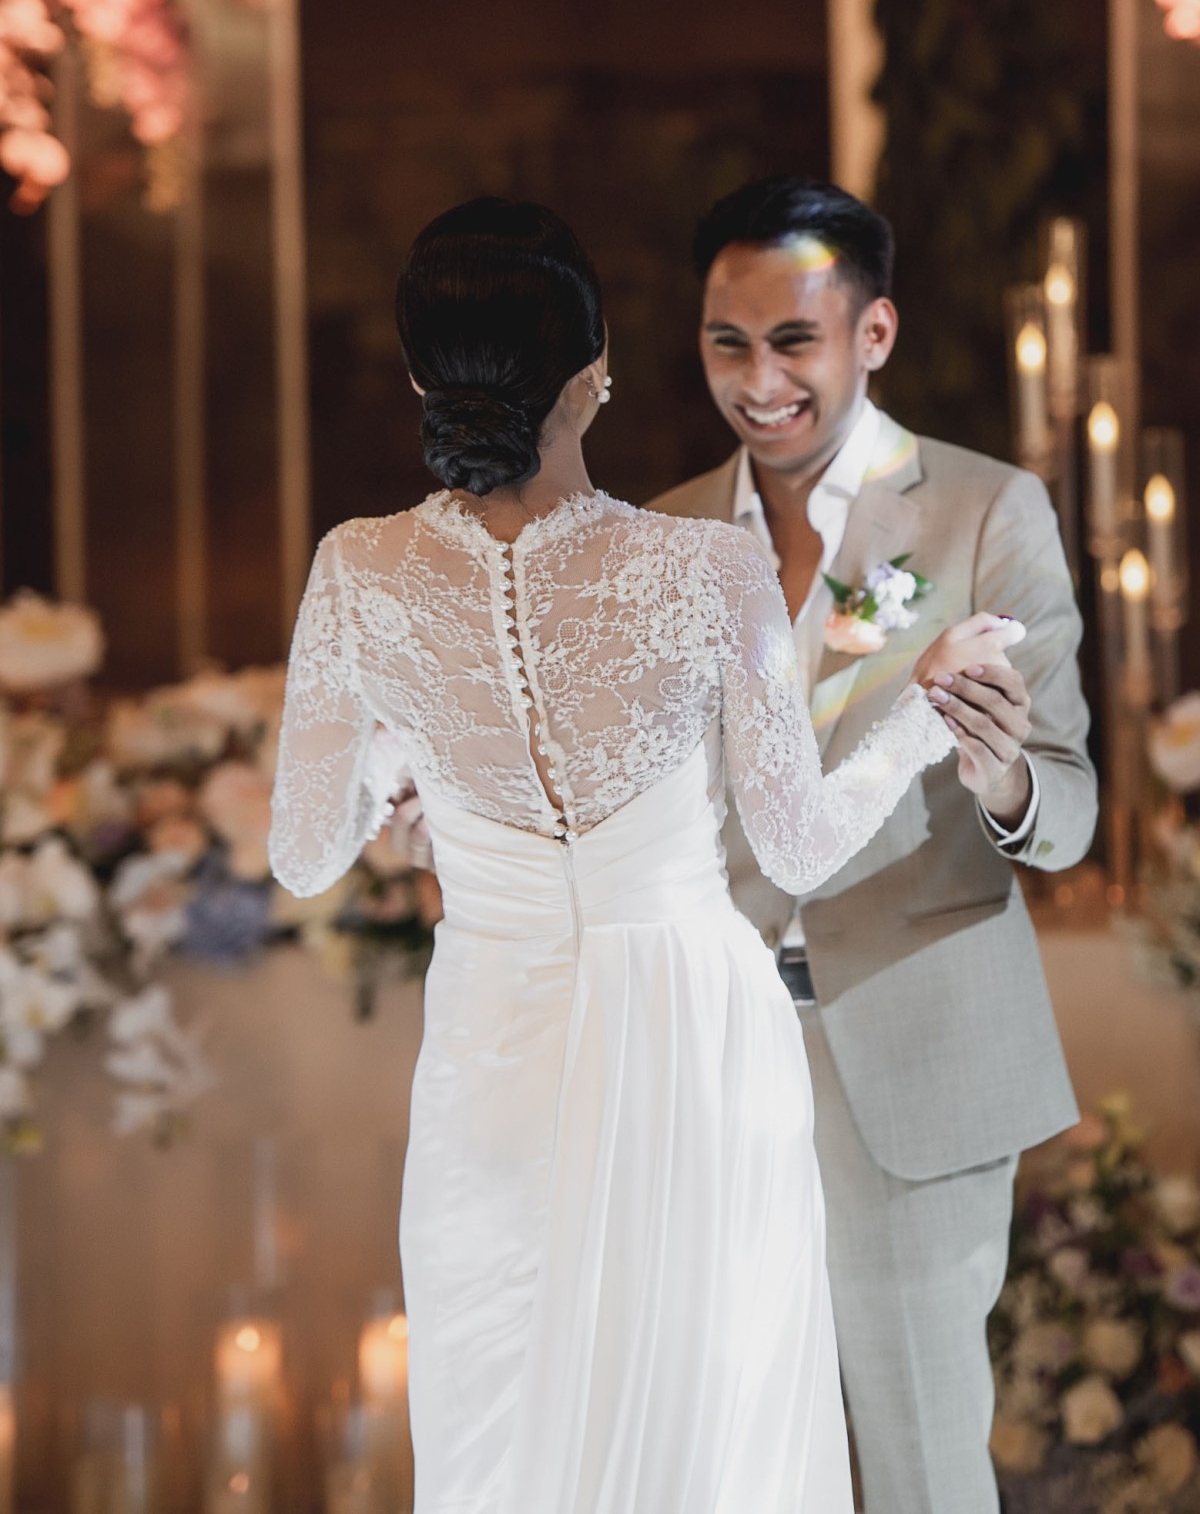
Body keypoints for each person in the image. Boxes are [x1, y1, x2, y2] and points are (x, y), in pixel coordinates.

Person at [268, 196, 1025, 1514]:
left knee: (504, 1425)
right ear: (597, 366)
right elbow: (797, 841)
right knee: (708, 1430)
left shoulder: (358, 573)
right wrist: (920, 713)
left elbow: (302, 855)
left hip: (494, 1040)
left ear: (421, 379)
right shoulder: (704, 568)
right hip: (691, 1034)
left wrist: (402, 757)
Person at [652, 176, 1096, 1514]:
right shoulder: (661, 536)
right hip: (711, 1063)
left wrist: (1000, 769)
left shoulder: (985, 509)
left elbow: (1070, 808)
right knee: (725, 1468)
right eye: (729, 342)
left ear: (875, 332)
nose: (759, 380)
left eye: (795, 340)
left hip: (916, 1051)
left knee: (919, 1474)